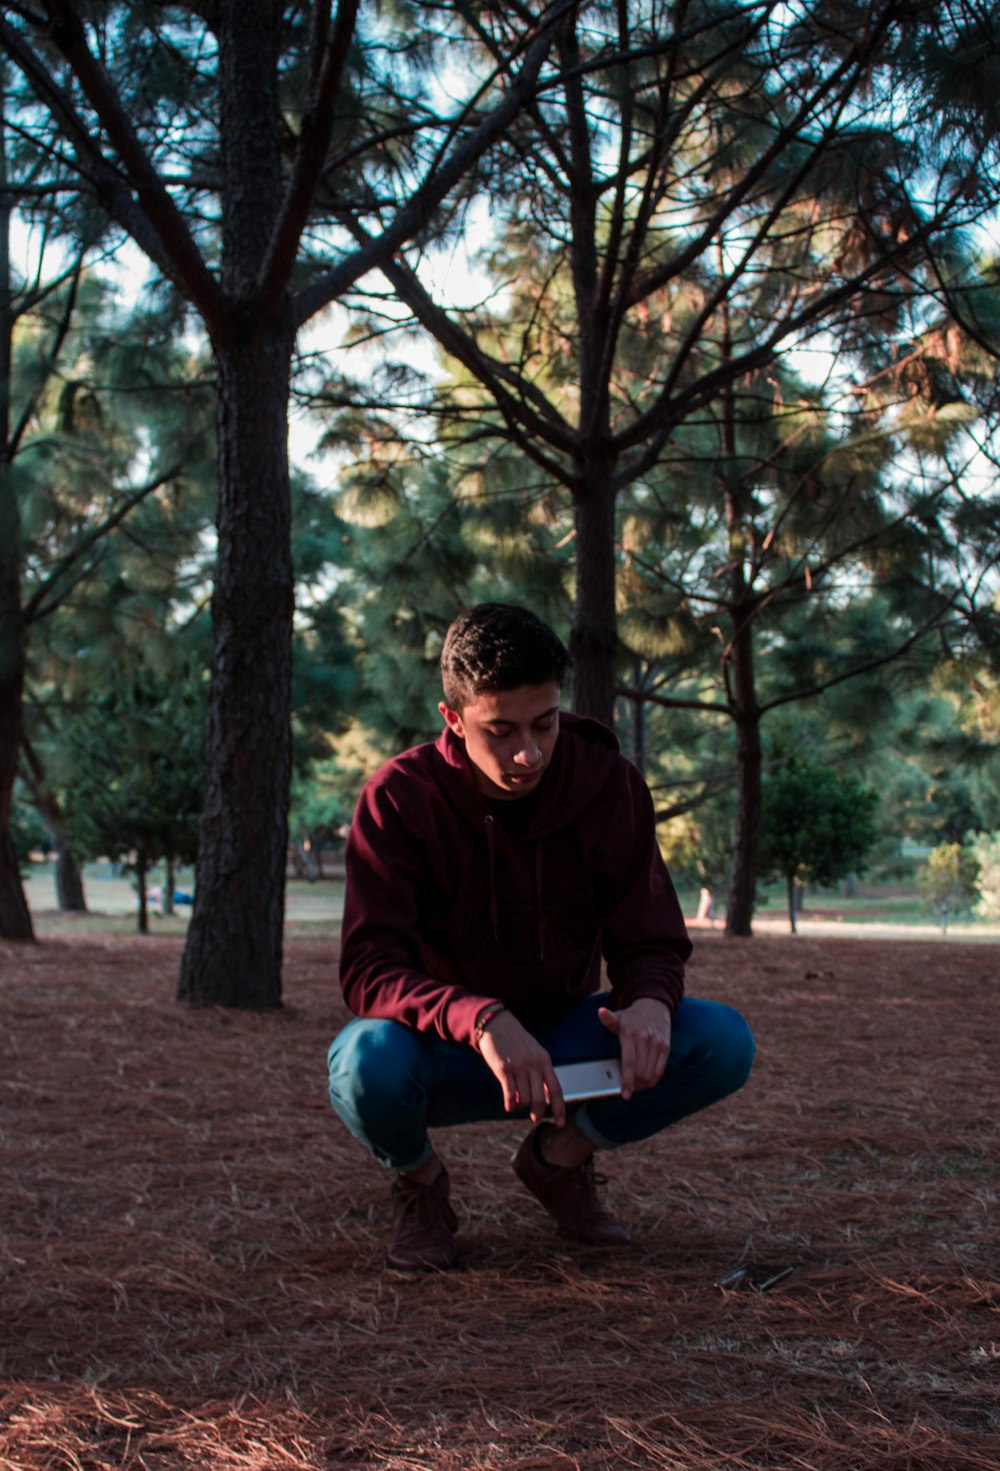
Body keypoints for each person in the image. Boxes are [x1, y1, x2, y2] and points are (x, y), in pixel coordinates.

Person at [327, 603, 754, 1269]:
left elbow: (650, 939)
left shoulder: (607, 782)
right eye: (500, 730)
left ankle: (557, 1159)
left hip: (565, 1045)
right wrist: (481, 1018)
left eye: (544, 723)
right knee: (363, 1065)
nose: (529, 751)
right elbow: (369, 968)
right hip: (448, 1048)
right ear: (453, 718)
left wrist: (648, 999)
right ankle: (421, 1183)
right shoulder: (399, 797)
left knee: (721, 1043)